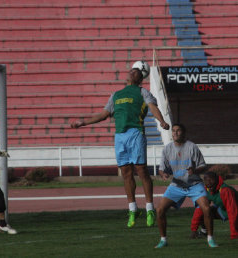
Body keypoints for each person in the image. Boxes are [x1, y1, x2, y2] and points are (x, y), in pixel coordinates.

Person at [71, 67, 169, 228]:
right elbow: (103, 115)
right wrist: (83, 123)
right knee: (126, 172)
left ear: (140, 78)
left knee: (142, 170)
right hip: (120, 136)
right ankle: (132, 209)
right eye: (131, 70)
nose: (133, 71)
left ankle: (150, 208)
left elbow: (152, 107)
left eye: (136, 71)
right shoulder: (116, 95)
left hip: (135, 132)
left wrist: (162, 121)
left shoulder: (143, 92)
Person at [155, 123, 218, 248]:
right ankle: (163, 240)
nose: (175, 133)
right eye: (173, 131)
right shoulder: (167, 149)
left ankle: (210, 239)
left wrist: (194, 171)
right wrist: (163, 174)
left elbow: (203, 166)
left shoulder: (192, 147)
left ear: (184, 133)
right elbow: (162, 169)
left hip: (194, 184)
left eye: (178, 131)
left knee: (206, 208)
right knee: (159, 210)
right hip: (177, 185)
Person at [190, 171, 238, 240]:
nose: (208, 182)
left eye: (211, 180)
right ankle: (204, 231)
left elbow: (233, 211)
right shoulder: (206, 190)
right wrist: (194, 230)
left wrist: (234, 234)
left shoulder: (225, 190)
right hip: (224, 210)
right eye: (206, 180)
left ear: (217, 179)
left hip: (235, 210)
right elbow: (200, 208)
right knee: (205, 211)